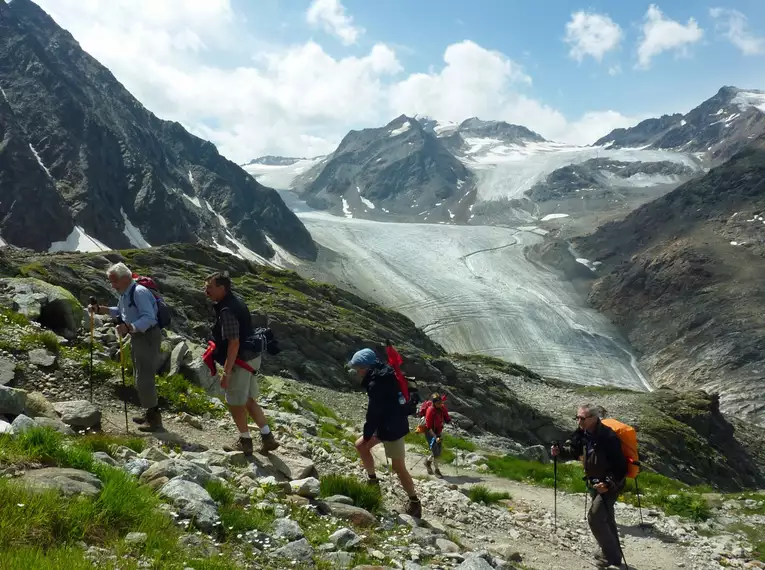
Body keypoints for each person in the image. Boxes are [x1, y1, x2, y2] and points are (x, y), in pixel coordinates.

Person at [204, 272, 279, 456]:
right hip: (252, 358)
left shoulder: (226, 310)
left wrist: (227, 372)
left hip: (240, 361)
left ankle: (245, 441)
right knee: (247, 399)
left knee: (235, 401)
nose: (206, 291)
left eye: (210, 287)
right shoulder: (236, 301)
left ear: (222, 289)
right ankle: (267, 437)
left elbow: (234, 342)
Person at [551, 404, 627, 568]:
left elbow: (620, 466)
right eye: (577, 417)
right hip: (594, 482)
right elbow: (574, 450)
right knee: (606, 518)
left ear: (594, 418)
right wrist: (560, 451)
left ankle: (611, 558)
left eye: (582, 418)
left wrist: (607, 483)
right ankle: (613, 555)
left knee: (595, 518)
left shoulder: (608, 437)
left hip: (610, 485)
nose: (579, 421)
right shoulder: (582, 433)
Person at [89, 263, 162, 432]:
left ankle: (154, 420)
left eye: (114, 281)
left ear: (125, 278)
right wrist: (100, 309)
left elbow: (150, 318)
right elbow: (120, 311)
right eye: (111, 282)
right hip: (139, 337)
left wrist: (129, 327)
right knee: (140, 375)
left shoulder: (139, 292)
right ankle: (149, 412)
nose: (112, 285)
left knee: (144, 377)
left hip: (148, 336)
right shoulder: (126, 293)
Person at [350, 348, 422, 518]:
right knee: (360, 446)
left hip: (393, 429)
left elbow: (373, 414)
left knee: (398, 468)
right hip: (386, 425)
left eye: (358, 368)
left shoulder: (376, 383)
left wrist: (368, 435)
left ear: (366, 367)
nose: (357, 371)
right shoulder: (383, 374)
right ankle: (373, 481)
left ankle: (415, 502)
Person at [424, 393, 451, 477]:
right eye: (438, 403)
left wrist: (452, 422)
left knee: (438, 451)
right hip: (430, 433)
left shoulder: (442, 408)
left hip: (438, 432)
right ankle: (437, 470)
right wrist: (435, 437)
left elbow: (447, 418)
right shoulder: (430, 411)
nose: (440, 405)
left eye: (441, 403)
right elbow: (428, 427)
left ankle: (427, 462)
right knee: (436, 452)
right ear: (434, 403)